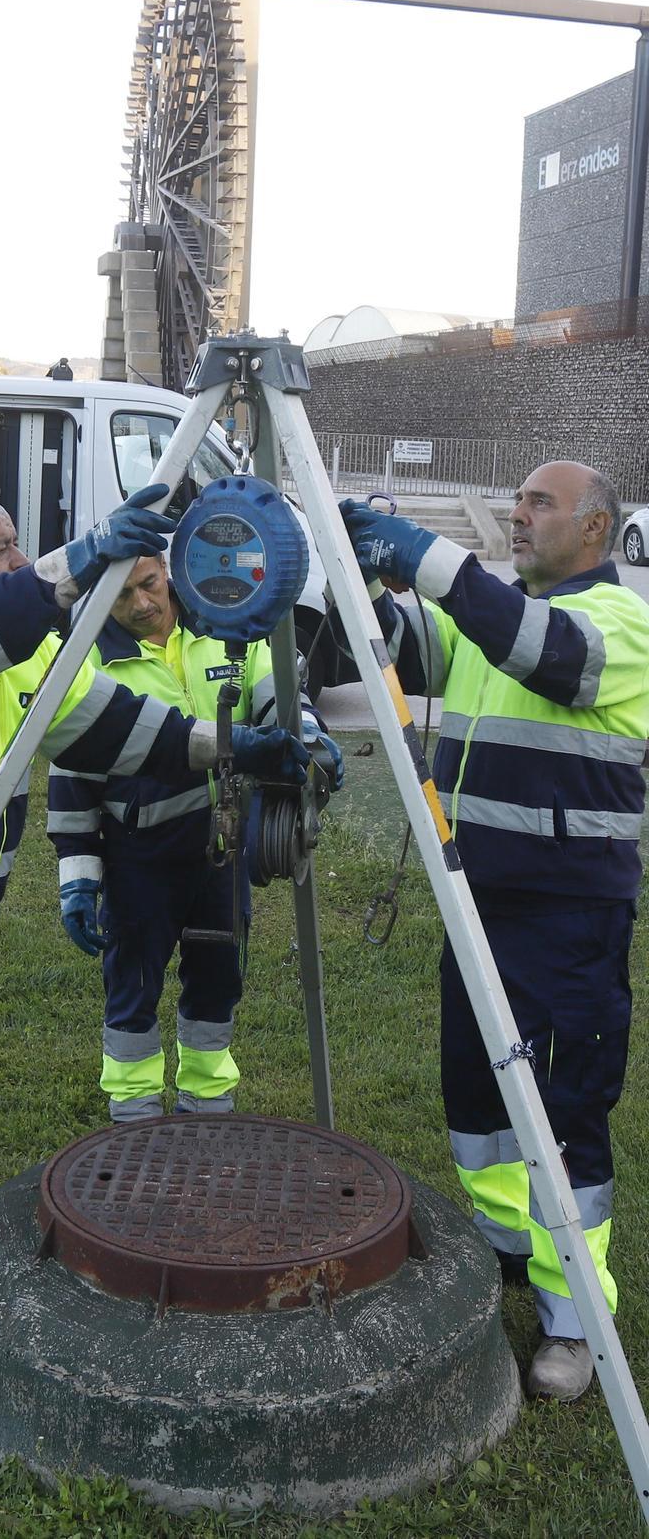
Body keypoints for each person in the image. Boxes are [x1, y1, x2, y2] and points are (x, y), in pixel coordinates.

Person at [0, 487, 309, 1311]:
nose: (15, 559)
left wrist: (231, 745)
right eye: (0, 548)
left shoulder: (25, 654)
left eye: (18, 547)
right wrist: (74, 563)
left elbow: (119, 728)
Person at [339, 462, 649, 1403]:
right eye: (514, 501)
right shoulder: (498, 617)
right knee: (475, 1105)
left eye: (539, 504)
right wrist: (369, 581)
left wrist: (425, 557)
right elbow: (405, 641)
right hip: (478, 914)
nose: (517, 514)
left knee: (563, 1119)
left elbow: (548, 657)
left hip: (570, 922)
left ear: (595, 531)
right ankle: (511, 1246)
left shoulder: (618, 625)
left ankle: (573, 1318)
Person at [48, 553, 344, 1121]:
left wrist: (307, 737)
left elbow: (281, 698)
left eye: (150, 584)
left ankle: (208, 1104)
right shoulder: (88, 664)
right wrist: (78, 881)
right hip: (139, 858)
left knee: (217, 976)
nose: (141, 603)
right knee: (132, 982)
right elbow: (72, 783)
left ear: (168, 570)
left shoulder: (229, 634)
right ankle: (134, 1113)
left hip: (222, 852)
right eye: (122, 594)